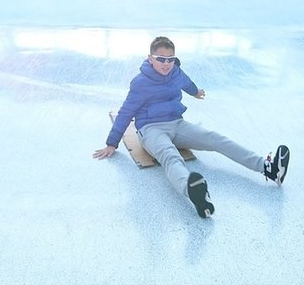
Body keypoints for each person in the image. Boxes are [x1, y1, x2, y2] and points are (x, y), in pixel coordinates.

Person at [93, 36, 291, 218]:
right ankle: (194, 192)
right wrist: (112, 143)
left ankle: (269, 168)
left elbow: (185, 82)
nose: (166, 64)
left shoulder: (175, 72)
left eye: (170, 59)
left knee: (215, 138)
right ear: (150, 58)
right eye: (161, 59)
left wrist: (195, 92)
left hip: (177, 123)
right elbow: (126, 112)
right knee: (170, 155)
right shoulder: (140, 83)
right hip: (151, 129)